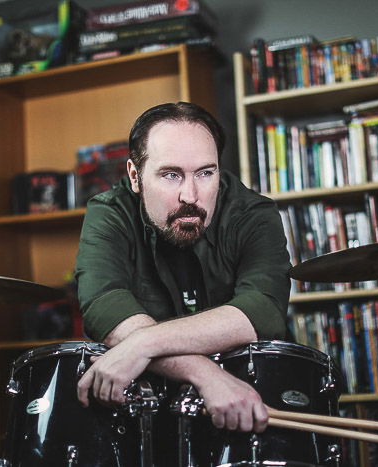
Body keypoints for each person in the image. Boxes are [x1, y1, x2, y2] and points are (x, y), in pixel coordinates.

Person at [74, 101, 291, 433]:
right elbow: (104, 304)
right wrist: (206, 375)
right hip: (149, 408)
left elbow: (262, 311)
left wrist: (141, 344)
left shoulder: (253, 214)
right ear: (135, 176)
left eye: (206, 173)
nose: (191, 195)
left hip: (249, 403)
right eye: (171, 175)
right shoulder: (109, 212)